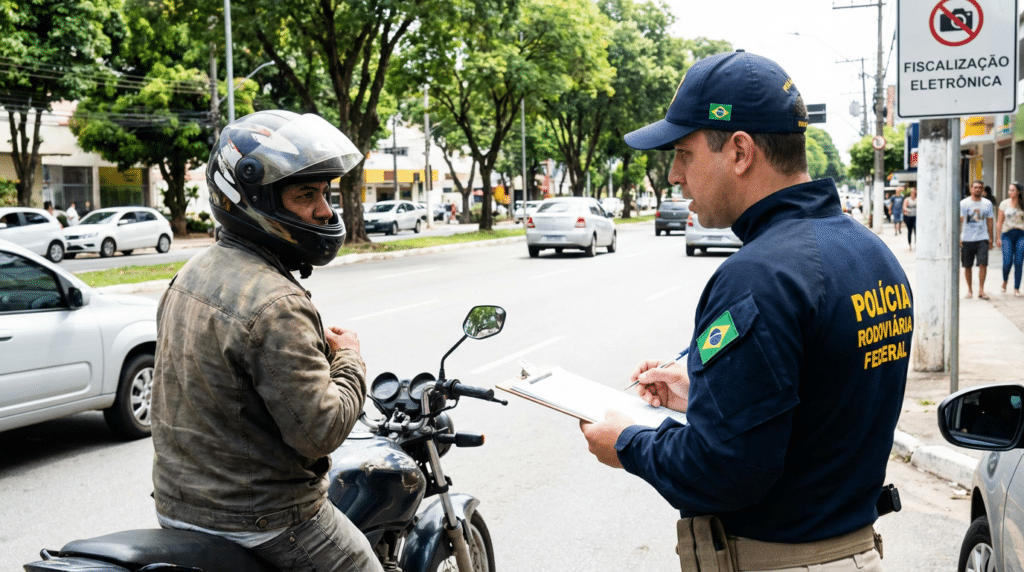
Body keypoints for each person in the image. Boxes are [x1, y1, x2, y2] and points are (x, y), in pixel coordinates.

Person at [578, 51, 913, 572]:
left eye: (683, 154)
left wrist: (627, 442)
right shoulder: (871, 254)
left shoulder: (759, 275)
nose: (673, 176)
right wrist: (708, 394)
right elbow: (820, 406)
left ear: (739, 151)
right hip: (850, 550)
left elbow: (723, 470)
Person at [151, 110, 382, 572]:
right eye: (306, 195)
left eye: (325, 193)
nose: (326, 210)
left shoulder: (190, 274)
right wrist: (351, 360)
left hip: (179, 507)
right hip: (264, 519)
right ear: (255, 201)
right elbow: (321, 432)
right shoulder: (277, 303)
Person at [961, 179, 995, 300]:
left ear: (983, 189)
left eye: (980, 187)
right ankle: (970, 290)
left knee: (983, 264)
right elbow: (960, 221)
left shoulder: (987, 204)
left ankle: (981, 290)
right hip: (967, 239)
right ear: (971, 189)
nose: (977, 189)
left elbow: (990, 221)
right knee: (967, 266)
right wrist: (959, 237)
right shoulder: (964, 203)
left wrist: (991, 238)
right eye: (975, 187)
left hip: (982, 238)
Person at [996, 182, 1024, 297]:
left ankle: (1016, 288)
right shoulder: (1004, 204)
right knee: (1007, 262)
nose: (1010, 192)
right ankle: (1005, 281)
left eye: (1013, 190)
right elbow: (999, 222)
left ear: (1018, 192)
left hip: (1021, 234)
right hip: (1007, 234)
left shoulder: (1022, 204)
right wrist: (998, 238)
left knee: (1018, 261)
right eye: (1009, 190)